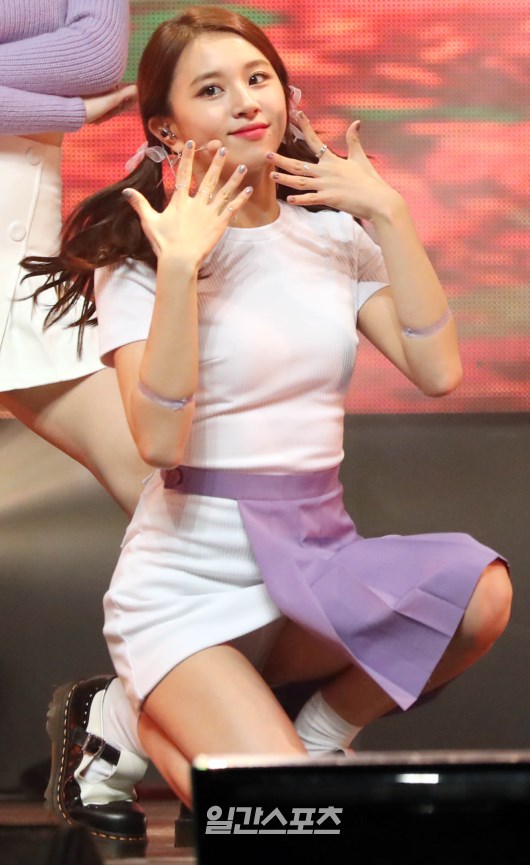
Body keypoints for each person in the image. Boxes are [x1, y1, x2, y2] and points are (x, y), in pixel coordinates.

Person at [31, 4, 511, 812]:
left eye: (258, 78)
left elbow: (438, 370)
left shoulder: (331, 237)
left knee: (479, 593)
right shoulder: (143, 255)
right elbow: (158, 440)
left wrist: (388, 213)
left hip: (313, 561)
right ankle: (131, 714)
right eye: (211, 90)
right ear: (166, 127)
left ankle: (313, 737)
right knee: (286, 822)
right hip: (187, 586)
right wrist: (180, 270)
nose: (247, 102)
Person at [0, 0, 152, 844]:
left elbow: (95, 52)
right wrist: (61, 109)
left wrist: (67, 100)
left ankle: (116, 728)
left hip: (17, 272)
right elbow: (73, 74)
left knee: (180, 498)